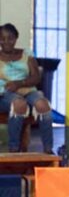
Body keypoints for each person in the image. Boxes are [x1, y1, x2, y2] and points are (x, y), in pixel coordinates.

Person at [0, 23, 53, 154]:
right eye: (2, 38)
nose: (6, 42)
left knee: (42, 104)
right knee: (19, 104)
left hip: (28, 89)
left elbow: (36, 77)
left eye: (10, 38)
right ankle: (14, 149)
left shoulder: (26, 54)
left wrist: (19, 83)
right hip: (5, 93)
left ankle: (48, 150)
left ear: (16, 38)